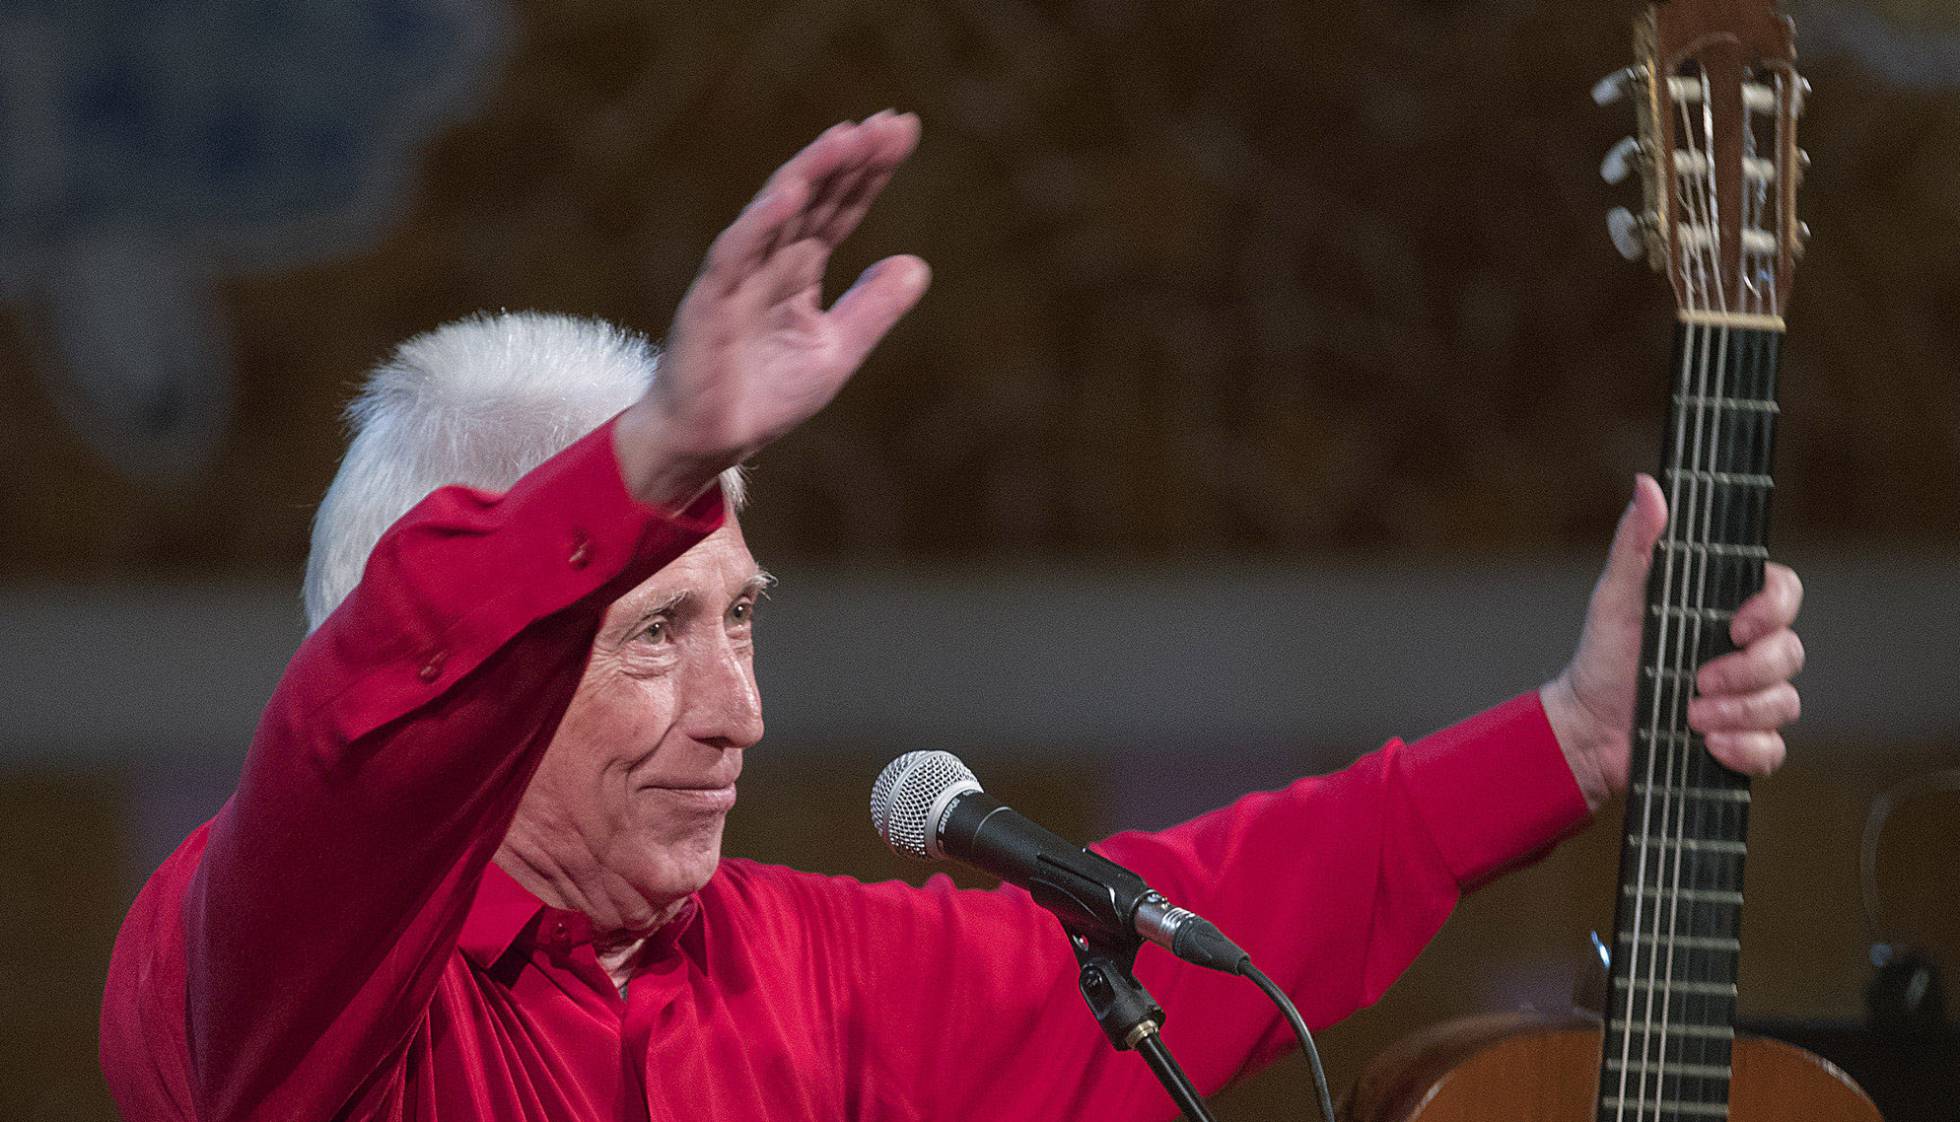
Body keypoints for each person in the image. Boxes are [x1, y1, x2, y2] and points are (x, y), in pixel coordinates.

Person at [100, 113, 1806, 1122]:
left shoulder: (794, 970)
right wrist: (647, 459)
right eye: (654, 631)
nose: (740, 710)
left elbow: (1203, 910)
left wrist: (1571, 738)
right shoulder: (253, 980)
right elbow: (359, 744)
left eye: (743, 620)